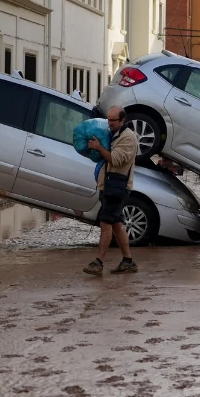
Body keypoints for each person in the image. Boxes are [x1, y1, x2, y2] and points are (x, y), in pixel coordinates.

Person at [83, 106, 139, 275]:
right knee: (116, 224)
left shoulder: (128, 138)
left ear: (122, 121)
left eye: (113, 121)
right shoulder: (114, 134)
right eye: (108, 120)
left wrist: (99, 147)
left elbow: (115, 159)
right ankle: (128, 261)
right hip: (109, 186)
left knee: (105, 223)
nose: (110, 123)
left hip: (117, 188)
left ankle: (98, 262)